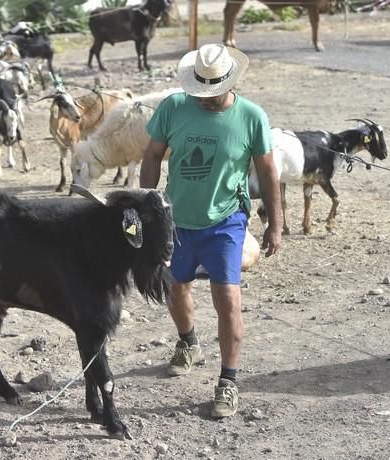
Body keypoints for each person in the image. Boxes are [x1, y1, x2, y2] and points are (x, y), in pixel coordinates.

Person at [140, 43, 283, 418]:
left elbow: (268, 172)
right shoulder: (173, 107)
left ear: (228, 82)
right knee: (175, 287)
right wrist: (144, 204)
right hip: (176, 218)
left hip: (225, 221)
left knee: (227, 298)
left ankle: (228, 382)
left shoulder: (251, 116)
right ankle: (188, 343)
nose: (202, 98)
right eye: (197, 90)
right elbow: (153, 154)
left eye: (210, 92)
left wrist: (276, 224)